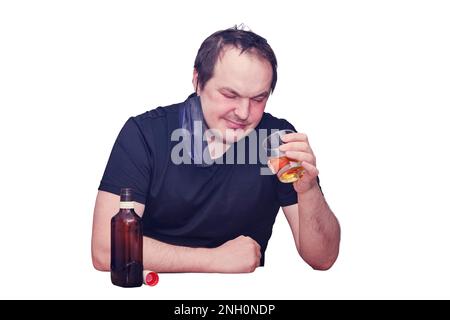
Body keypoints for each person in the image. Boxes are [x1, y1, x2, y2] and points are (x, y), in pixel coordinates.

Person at [91, 26, 340, 273]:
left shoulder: (276, 140)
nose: (243, 113)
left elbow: (322, 259)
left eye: (258, 99)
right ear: (198, 81)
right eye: (230, 95)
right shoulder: (145, 133)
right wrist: (214, 260)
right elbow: (106, 249)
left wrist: (308, 191)